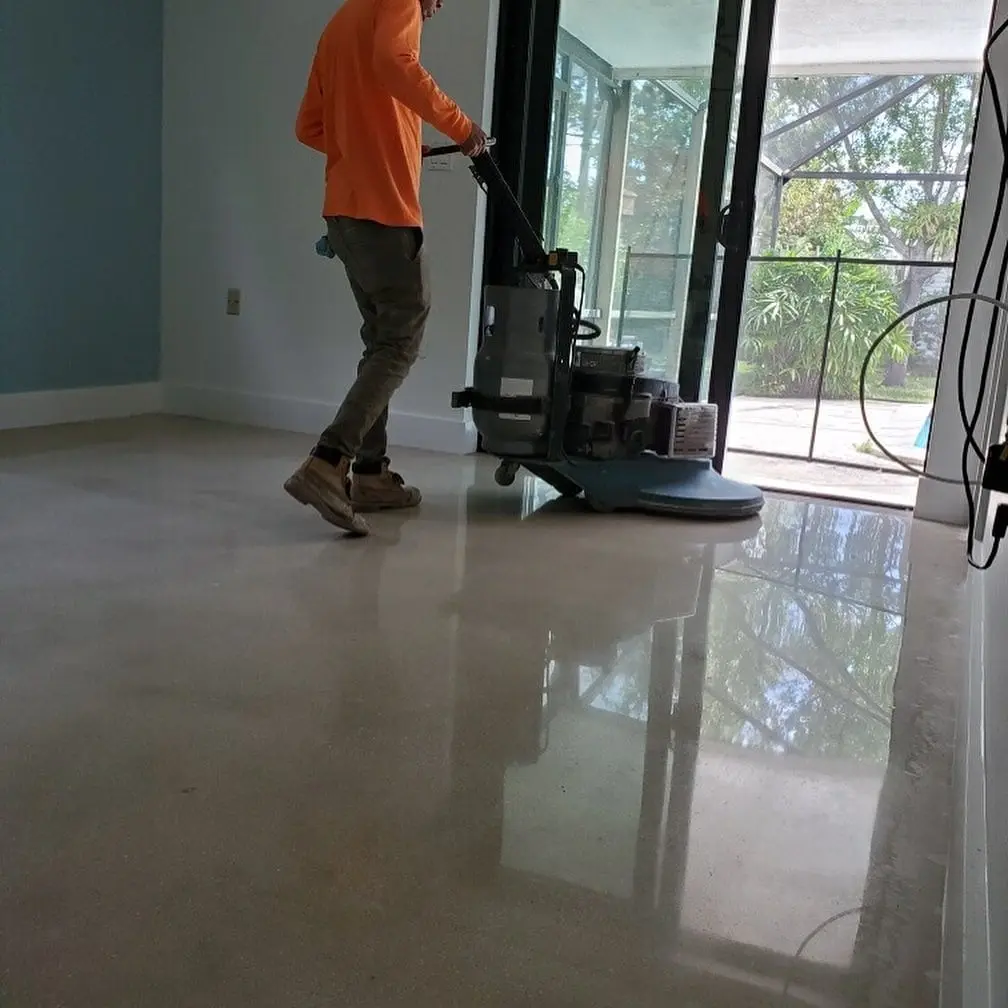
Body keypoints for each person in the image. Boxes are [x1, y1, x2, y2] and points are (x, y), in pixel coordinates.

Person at [285, 0, 488, 536]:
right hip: (383, 212)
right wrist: (461, 126)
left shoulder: (339, 23)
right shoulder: (398, 2)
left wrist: (389, 143)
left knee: (381, 341)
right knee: (401, 339)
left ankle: (371, 475)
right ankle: (329, 462)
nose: (439, 5)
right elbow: (394, 63)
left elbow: (309, 126)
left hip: (344, 215)